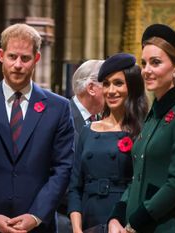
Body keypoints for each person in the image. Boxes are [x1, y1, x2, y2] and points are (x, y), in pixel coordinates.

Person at [108, 23, 175, 233]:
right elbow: (138, 177)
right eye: (144, 63)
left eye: (156, 62)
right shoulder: (153, 114)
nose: (147, 70)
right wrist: (117, 215)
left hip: (164, 226)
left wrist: (135, 222)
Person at [0, 23, 74, 233]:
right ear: (1, 55)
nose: (17, 64)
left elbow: (63, 167)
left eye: (25, 58)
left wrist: (36, 215)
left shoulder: (58, 108)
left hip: (38, 226)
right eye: (12, 56)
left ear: (36, 58)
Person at [67, 53, 148, 232]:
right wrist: (77, 229)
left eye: (118, 83)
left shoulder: (144, 130)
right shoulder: (88, 131)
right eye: (106, 84)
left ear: (133, 87)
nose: (111, 91)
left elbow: (145, 185)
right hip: (89, 220)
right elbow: (75, 186)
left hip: (125, 220)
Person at [57, 59, 105, 233]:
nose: (112, 91)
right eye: (107, 84)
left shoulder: (103, 122)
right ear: (91, 88)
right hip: (65, 218)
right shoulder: (61, 116)